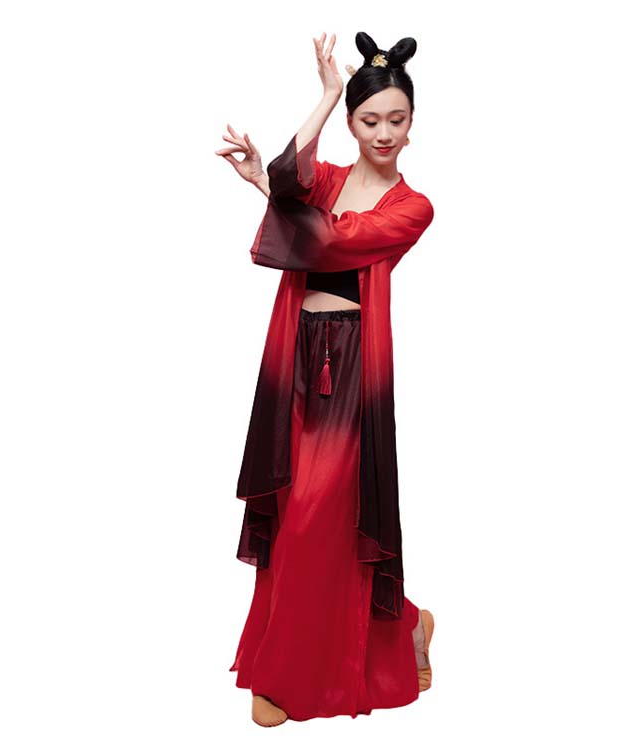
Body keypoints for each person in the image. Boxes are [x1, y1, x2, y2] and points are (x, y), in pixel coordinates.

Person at [216, 31, 435, 726]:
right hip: (296, 354)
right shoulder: (333, 179)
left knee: (323, 514)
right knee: (293, 511)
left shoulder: (412, 207)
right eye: (369, 119)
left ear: (413, 123)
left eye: (396, 119)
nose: (384, 133)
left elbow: (329, 242)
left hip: (350, 366)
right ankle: (405, 624)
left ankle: (298, 676)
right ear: (352, 123)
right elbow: (292, 178)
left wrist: (276, 195)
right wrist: (325, 95)